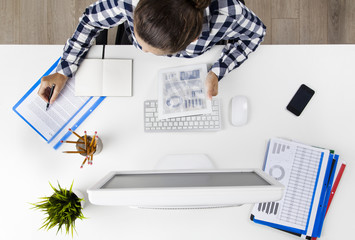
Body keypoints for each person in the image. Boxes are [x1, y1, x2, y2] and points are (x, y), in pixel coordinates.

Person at [38, 0, 265, 104]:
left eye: (150, 50)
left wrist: (217, 71)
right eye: (138, 39)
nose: (142, 50)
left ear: (194, 39)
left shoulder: (229, 13)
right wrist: (64, 69)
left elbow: (256, 34)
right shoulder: (127, 1)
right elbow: (89, 21)